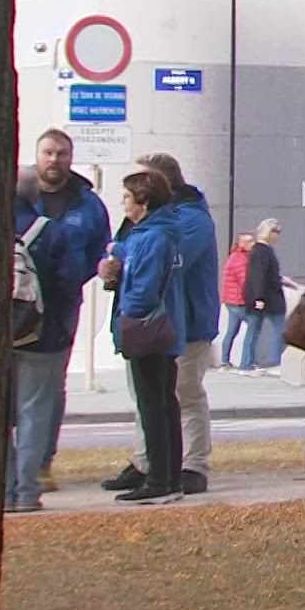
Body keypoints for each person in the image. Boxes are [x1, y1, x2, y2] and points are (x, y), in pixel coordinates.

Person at [98, 153, 220, 495]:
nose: (128, 197)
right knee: (149, 397)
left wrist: (126, 272)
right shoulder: (150, 223)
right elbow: (127, 253)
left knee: (183, 394)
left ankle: (191, 465)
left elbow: (161, 265)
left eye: (138, 185)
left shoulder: (187, 220)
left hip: (183, 319)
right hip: (152, 321)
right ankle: (147, 462)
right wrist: (113, 264)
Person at [24, 129, 113, 492]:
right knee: (13, 383)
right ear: (37, 155)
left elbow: (99, 249)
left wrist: (72, 277)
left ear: (71, 157)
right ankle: (14, 466)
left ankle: (42, 462)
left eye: (61, 153)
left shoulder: (87, 204)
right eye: (48, 152)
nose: (54, 160)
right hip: (16, 303)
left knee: (51, 384)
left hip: (61, 305)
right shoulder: (18, 195)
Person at [112, 169, 188, 505]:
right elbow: (132, 255)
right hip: (163, 328)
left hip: (148, 328)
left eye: (127, 198)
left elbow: (143, 287)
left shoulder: (153, 237)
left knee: (153, 406)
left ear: (143, 202)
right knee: (163, 403)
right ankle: (169, 476)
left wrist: (127, 314)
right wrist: (116, 250)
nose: (124, 204)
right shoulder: (156, 233)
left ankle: (159, 480)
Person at [6, 169, 72, 514]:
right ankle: (27, 491)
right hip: (41, 335)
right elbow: (67, 285)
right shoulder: (52, 232)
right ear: (36, 195)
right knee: (34, 412)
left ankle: (4, 490)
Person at [243, 218, 288, 373]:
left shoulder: (262, 250)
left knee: (255, 330)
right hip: (267, 297)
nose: (277, 235)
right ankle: (271, 362)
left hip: (264, 296)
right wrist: (259, 297)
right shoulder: (262, 250)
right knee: (277, 329)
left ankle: (248, 363)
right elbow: (258, 275)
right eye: (275, 231)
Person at [219, 233, 256, 367]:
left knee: (232, 331)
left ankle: (224, 360)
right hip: (238, 301)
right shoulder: (240, 259)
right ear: (241, 244)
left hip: (232, 300)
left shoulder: (237, 256)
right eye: (249, 241)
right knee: (254, 325)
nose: (253, 243)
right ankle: (246, 362)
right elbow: (245, 281)